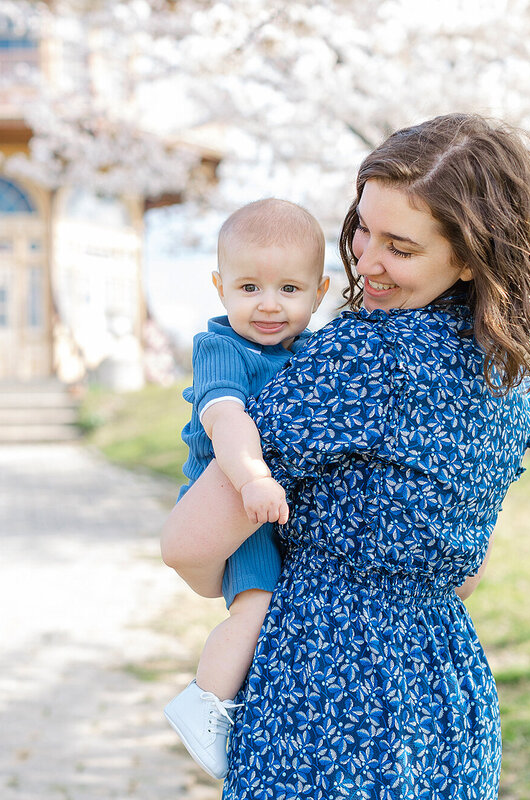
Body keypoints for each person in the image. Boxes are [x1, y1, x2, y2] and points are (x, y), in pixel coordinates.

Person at [160, 113, 530, 799]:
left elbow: (187, 543)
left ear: (469, 257)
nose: (365, 260)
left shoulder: (361, 359)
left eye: (399, 248)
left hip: (324, 694)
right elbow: (465, 576)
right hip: (446, 697)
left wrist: (239, 588)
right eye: (361, 228)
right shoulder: (511, 378)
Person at [163, 198, 331, 780]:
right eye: (249, 286)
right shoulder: (221, 349)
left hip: (267, 508)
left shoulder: (310, 352)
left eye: (289, 289)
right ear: (219, 287)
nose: (268, 304)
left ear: (319, 291)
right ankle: (205, 700)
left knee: (274, 602)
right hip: (232, 497)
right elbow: (226, 418)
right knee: (255, 603)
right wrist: (253, 476)